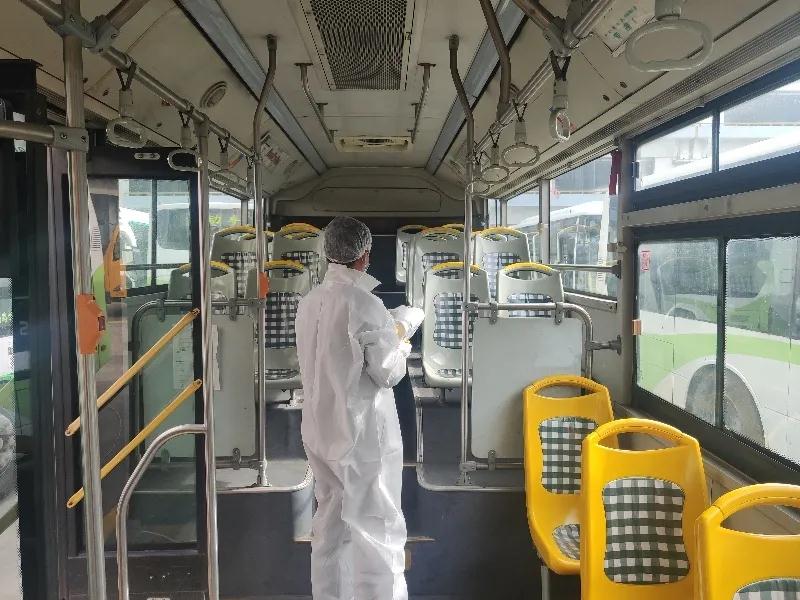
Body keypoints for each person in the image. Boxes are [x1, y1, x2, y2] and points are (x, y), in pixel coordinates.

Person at [295, 216, 424, 600]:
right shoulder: (365, 304)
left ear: (327, 252)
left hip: (319, 432)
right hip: (360, 437)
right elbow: (388, 372)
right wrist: (401, 334)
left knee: (329, 527)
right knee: (377, 530)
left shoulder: (308, 303)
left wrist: (388, 329)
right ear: (364, 255)